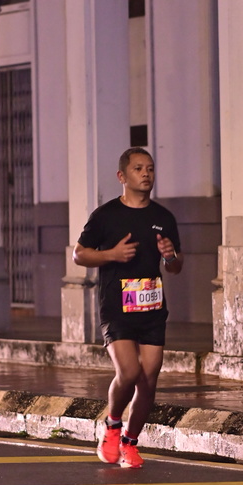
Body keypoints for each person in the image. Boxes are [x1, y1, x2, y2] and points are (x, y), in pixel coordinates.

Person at [73, 147, 183, 468]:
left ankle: (130, 442)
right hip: (117, 306)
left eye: (150, 168)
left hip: (152, 307)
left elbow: (176, 266)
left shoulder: (163, 218)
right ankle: (112, 424)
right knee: (130, 372)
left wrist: (170, 256)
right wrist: (111, 255)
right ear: (122, 176)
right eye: (138, 168)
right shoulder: (106, 216)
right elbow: (79, 254)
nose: (146, 173)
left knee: (148, 380)